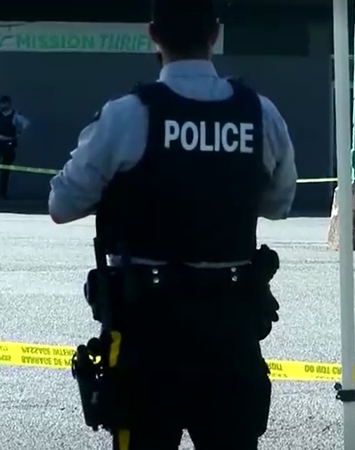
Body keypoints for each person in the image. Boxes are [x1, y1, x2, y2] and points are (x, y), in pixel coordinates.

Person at [48, 0, 297, 449]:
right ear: (215, 34)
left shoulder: (126, 115)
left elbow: (61, 204)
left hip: (148, 336)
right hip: (230, 330)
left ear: (153, 35)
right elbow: (280, 203)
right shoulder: (260, 114)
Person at [0, 95, 31, 199]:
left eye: (5, 103)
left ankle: (3, 193)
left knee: (5, 170)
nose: (3, 105)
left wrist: (19, 134)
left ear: (9, 104)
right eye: (1, 103)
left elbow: (26, 124)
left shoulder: (15, 115)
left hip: (8, 144)